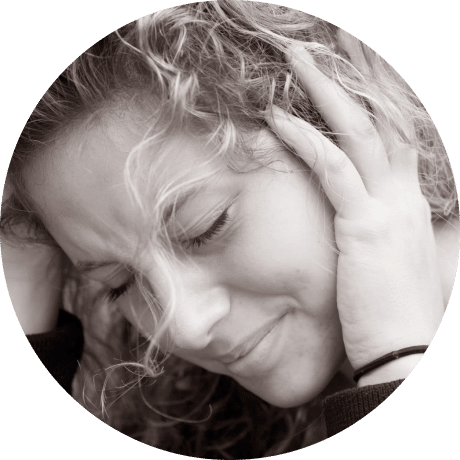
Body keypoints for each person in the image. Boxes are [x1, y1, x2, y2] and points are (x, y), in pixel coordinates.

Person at [1, 0, 458, 458]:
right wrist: (19, 265)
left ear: (335, 118)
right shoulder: (210, 420)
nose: (186, 328)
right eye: (119, 283)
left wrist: (396, 362)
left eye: (206, 229)